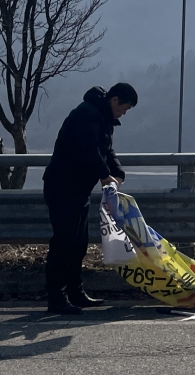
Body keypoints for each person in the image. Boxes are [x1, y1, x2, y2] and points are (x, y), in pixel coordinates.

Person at [43, 83, 138, 314]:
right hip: (63, 186)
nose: (123, 113)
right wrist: (105, 176)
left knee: (79, 243)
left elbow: (106, 151)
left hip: (79, 189)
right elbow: (89, 149)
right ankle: (57, 298)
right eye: (124, 108)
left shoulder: (102, 117)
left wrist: (118, 173)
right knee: (64, 242)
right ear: (114, 100)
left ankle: (75, 292)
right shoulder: (87, 114)